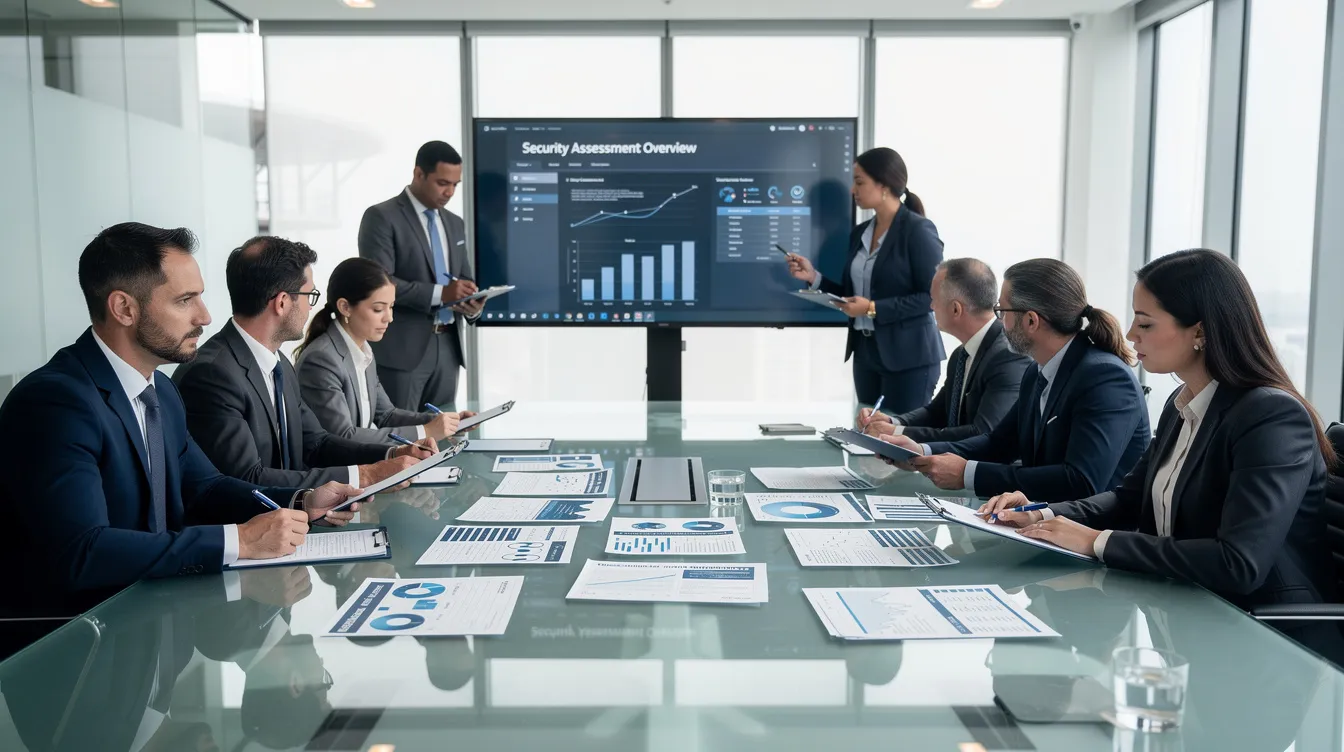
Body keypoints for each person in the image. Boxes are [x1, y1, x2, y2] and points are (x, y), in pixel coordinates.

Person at [0, 223, 360, 627]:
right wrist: (239, 541)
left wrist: (300, 500)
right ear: (124, 308)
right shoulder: (55, 402)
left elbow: (204, 487)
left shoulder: (162, 392)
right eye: (185, 300)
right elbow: (83, 552)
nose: (205, 316)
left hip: (154, 625)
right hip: (77, 647)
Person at [979, 249, 1338, 612]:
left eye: (1145, 323)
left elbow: (1238, 563)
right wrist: (1042, 514)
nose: (1131, 334)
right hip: (1184, 609)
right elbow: (1128, 499)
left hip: (1266, 633)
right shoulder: (1182, 405)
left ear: (1199, 330)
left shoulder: (1271, 416)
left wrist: (1097, 542)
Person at [174, 236, 435, 489]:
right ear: (283, 302)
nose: (312, 308)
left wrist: (392, 453)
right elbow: (247, 479)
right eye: (310, 296)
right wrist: (366, 475)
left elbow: (317, 443)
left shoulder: (279, 365)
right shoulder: (211, 374)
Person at [882, 258, 1150, 502]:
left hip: (1092, 541)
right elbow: (999, 443)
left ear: (1031, 321)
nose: (999, 321)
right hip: (1045, 524)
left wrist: (968, 474)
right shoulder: (1037, 371)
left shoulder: (1105, 377)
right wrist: (922, 451)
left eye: (1002, 311)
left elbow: (1081, 482)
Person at [786, 147, 945, 412]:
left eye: (860, 182)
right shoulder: (860, 232)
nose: (853, 190)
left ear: (883, 185)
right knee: (869, 440)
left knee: (901, 443)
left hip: (909, 357)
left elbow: (930, 298)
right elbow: (852, 295)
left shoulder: (917, 230)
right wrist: (814, 277)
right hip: (866, 353)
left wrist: (872, 308)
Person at [358, 140, 486, 411]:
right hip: (403, 351)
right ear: (419, 174)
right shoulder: (381, 217)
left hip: (449, 347)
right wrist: (442, 293)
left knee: (444, 433)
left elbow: (463, 279)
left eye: (455, 184)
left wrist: (472, 304)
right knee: (402, 436)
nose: (449, 191)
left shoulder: (454, 223)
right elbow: (379, 284)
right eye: (442, 183)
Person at [295, 257, 476, 444]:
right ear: (345, 307)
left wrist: (444, 422)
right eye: (378, 309)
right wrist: (426, 431)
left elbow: (386, 415)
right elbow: (342, 436)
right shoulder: (321, 359)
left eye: (391, 307)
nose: (389, 318)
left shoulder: (363, 351)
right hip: (334, 471)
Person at [857, 257, 1030, 442]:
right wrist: (893, 422)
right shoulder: (961, 355)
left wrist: (896, 433)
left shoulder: (1008, 356)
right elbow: (936, 413)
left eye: (934, 300)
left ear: (956, 309)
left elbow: (982, 433)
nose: (931, 307)